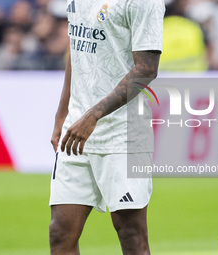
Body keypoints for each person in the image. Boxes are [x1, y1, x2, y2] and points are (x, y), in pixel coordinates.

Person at [49, 0, 165, 254]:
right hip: (76, 130)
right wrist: (62, 113)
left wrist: (93, 116)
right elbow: (77, 47)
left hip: (123, 133)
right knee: (60, 232)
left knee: (131, 232)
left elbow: (146, 69)